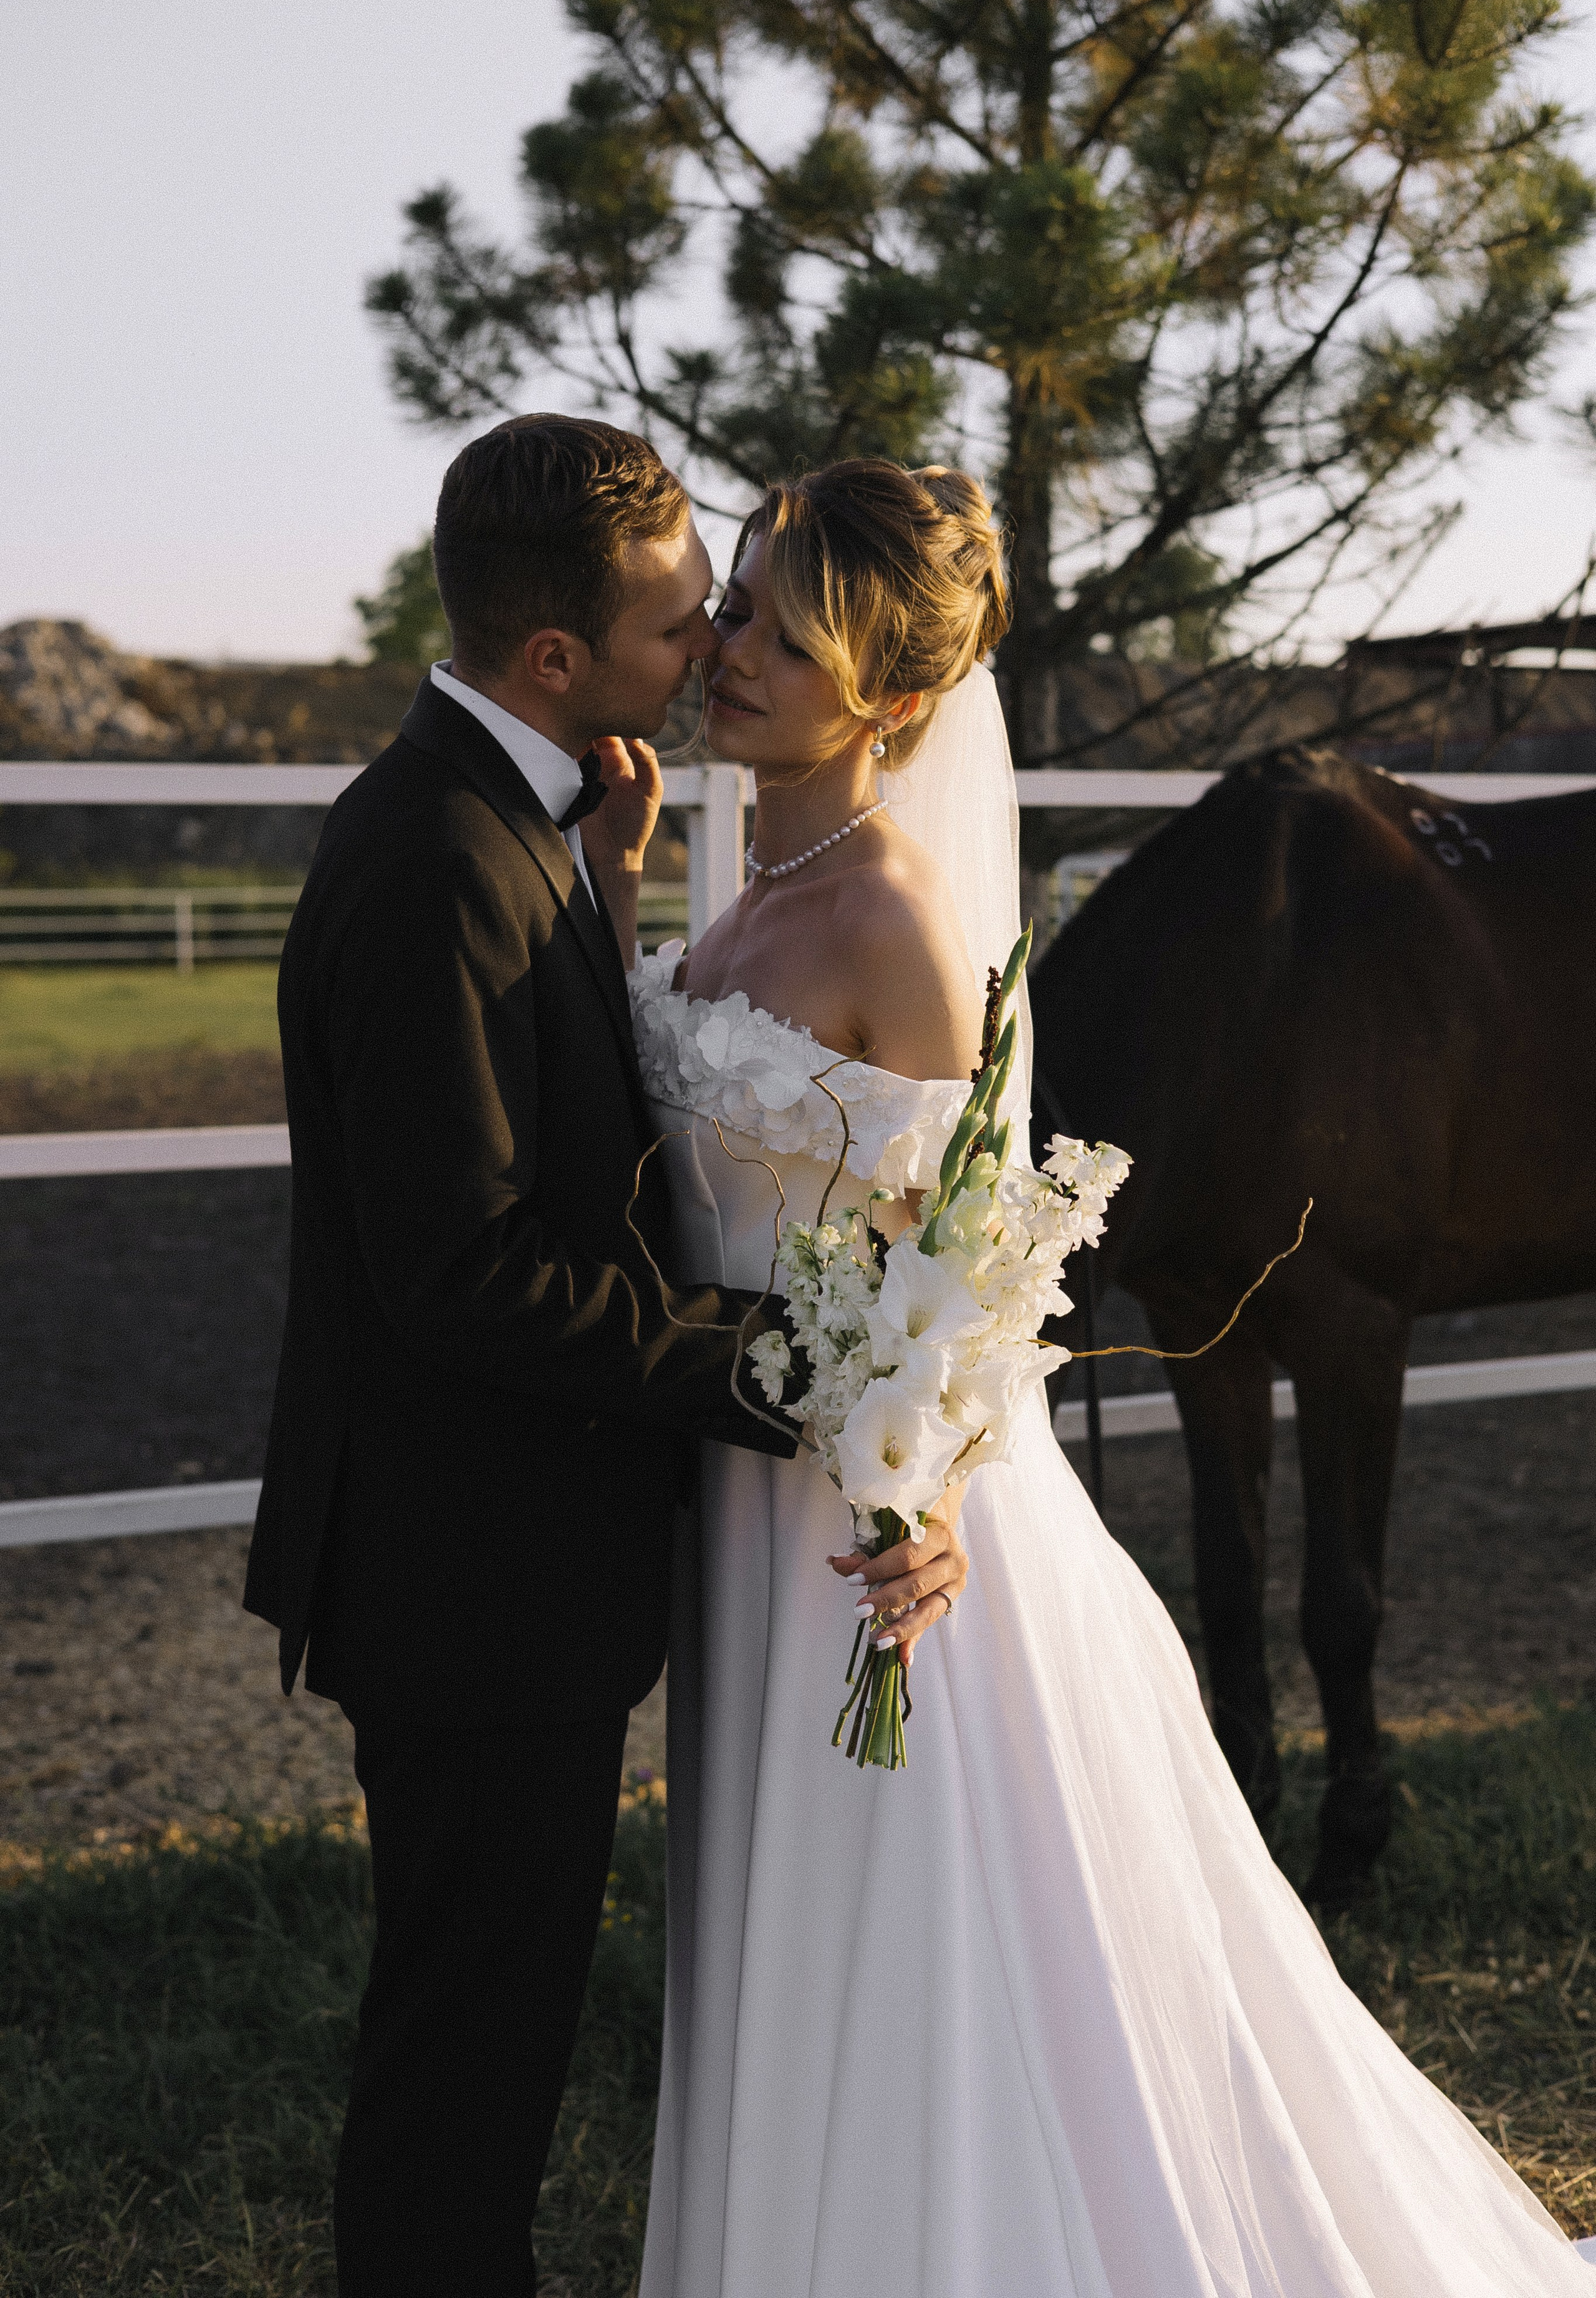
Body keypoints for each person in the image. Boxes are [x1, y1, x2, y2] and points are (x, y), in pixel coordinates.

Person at [623, 455, 1596, 2296]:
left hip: (876, 1534)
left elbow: (972, 1258)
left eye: (784, 635)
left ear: (893, 695)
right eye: (737, 607)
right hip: (749, 1492)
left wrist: (928, 1479)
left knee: (922, 1929)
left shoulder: (899, 920)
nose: (728, 648)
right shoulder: (740, 882)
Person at [241, 413, 971, 2298]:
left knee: (488, 2031)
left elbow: (927, 1235)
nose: (713, 648)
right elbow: (470, 1273)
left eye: (753, 620)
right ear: (559, 656)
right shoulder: (439, 860)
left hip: (554, 1552)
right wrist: (800, 1378)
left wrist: (606, 894)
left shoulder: (524, 833)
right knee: (466, 2054)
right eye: (688, 620)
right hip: (471, 1568)